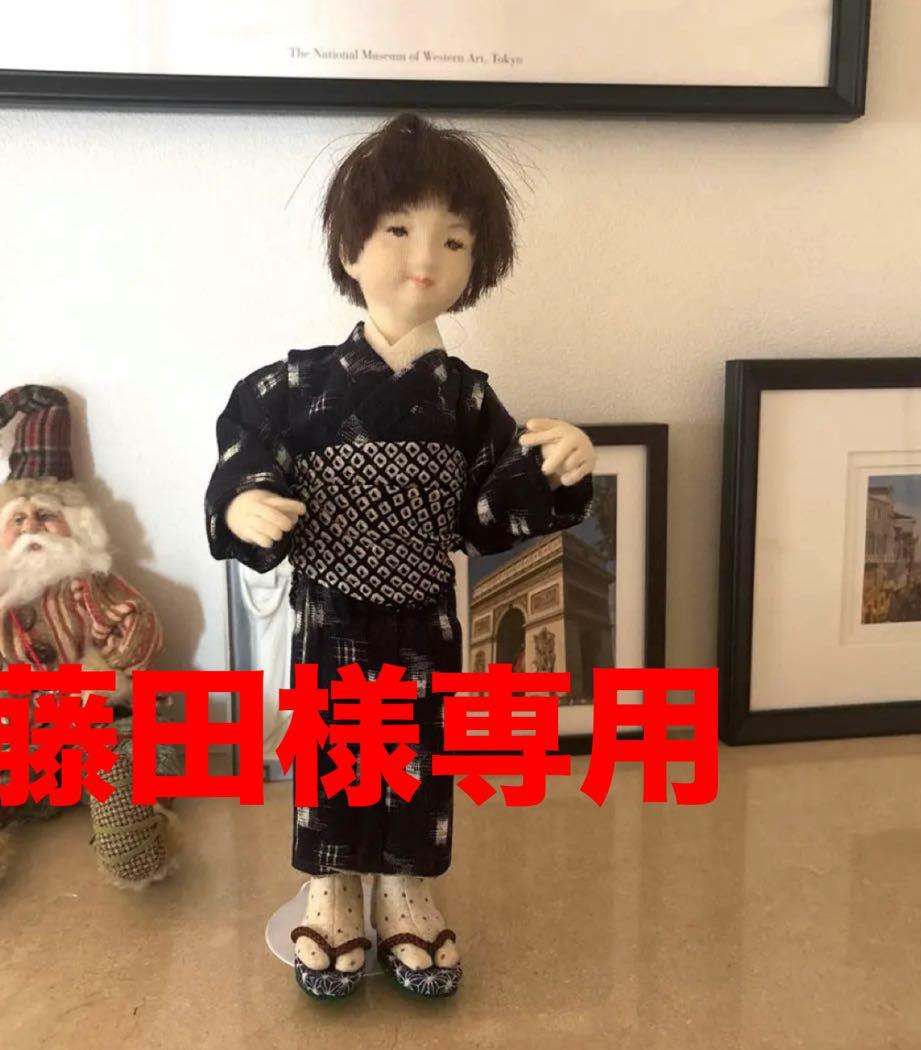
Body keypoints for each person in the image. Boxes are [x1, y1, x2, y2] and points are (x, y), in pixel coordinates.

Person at [204, 113, 596, 1000]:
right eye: (397, 230)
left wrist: (557, 468)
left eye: (453, 241)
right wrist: (243, 500)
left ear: (476, 264)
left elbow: (488, 514)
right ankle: (333, 884)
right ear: (350, 248)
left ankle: (405, 886)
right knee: (337, 743)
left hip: (426, 611)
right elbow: (243, 452)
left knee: (420, 747)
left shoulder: (467, 400)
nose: (426, 258)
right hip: (331, 608)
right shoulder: (289, 388)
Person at [0, 385, 183, 909]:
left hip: (102, 720)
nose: (32, 529)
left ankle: (137, 833)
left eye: (46, 517)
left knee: (139, 753)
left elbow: (137, 627)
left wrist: (104, 675)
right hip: (22, 730)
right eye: (18, 521)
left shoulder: (93, 587)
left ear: (76, 525)